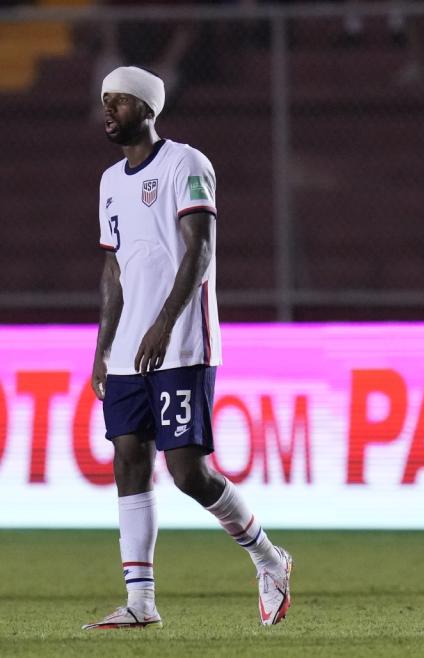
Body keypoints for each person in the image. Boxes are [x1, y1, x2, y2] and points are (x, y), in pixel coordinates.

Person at [84, 66, 292, 630]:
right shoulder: (109, 181)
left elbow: (199, 252)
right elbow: (113, 270)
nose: (109, 110)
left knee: (188, 473)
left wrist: (162, 324)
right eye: (105, 100)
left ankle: (269, 559)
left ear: (149, 108)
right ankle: (140, 602)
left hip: (180, 342)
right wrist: (104, 347)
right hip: (128, 348)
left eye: (120, 101)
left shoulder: (186, 164)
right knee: (128, 459)